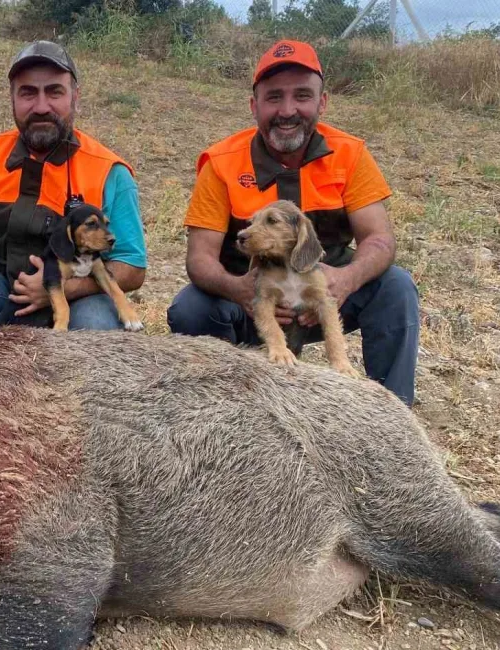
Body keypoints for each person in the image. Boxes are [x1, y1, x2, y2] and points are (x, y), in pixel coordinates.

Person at [166, 40, 419, 405]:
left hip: (322, 295)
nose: (287, 110)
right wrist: (238, 289)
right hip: (251, 298)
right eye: (273, 97)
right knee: (190, 309)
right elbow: (199, 258)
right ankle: (219, 406)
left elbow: (379, 240)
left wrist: (345, 279)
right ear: (254, 106)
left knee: (396, 287)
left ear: (322, 102)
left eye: (302, 95)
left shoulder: (350, 154)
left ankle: (393, 414)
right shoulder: (221, 162)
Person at [0, 40, 147, 339]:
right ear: (12, 99)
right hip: (2, 296)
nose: (41, 106)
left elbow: (132, 267)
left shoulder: (110, 171)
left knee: (98, 322)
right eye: (28, 92)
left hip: (78, 301)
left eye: (54, 91)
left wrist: (61, 289)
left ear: (75, 97)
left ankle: (63, 381)